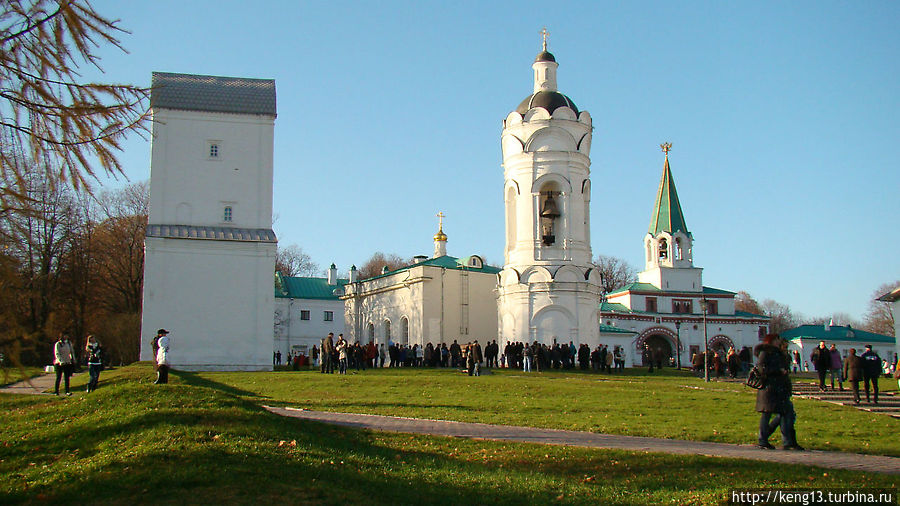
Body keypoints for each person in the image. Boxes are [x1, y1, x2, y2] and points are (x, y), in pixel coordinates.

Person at [755, 334, 802, 450]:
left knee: (785, 412)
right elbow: (762, 369)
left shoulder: (778, 353)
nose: (779, 342)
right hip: (769, 388)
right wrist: (778, 371)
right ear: (772, 341)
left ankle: (787, 441)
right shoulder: (765, 352)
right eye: (777, 340)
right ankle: (763, 439)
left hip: (779, 388)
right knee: (767, 414)